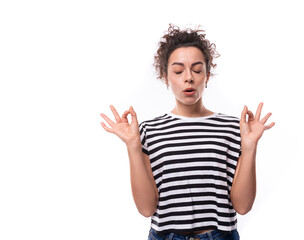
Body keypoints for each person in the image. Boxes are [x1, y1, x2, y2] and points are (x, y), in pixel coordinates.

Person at [100, 24, 275, 240]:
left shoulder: (234, 129)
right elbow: (146, 209)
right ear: (165, 77)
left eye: (197, 70)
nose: (188, 78)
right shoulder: (149, 131)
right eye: (178, 71)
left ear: (207, 76)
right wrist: (132, 146)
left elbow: (243, 206)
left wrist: (249, 148)